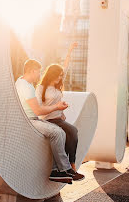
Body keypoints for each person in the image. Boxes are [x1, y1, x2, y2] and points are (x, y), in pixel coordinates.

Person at [15, 59, 73, 184]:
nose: (40, 75)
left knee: (60, 132)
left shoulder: (22, 82)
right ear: (32, 71)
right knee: (56, 133)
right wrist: (57, 107)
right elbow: (37, 111)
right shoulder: (26, 86)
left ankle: (56, 170)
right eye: (38, 72)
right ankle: (64, 169)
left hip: (31, 119)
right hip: (29, 120)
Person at [35, 43, 84, 181]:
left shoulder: (58, 86)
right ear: (51, 75)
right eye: (58, 76)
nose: (60, 78)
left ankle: (72, 166)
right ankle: (67, 168)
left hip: (58, 119)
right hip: (48, 120)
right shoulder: (41, 88)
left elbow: (65, 67)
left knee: (73, 132)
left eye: (61, 76)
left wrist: (69, 51)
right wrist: (57, 107)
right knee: (67, 133)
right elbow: (38, 109)